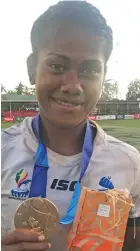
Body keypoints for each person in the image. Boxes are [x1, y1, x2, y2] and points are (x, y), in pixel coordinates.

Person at [1, 1, 140, 251]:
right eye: (57, 66)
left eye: (89, 70)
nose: (73, 86)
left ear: (103, 76)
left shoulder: (129, 163)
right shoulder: (3, 152)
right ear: (32, 69)